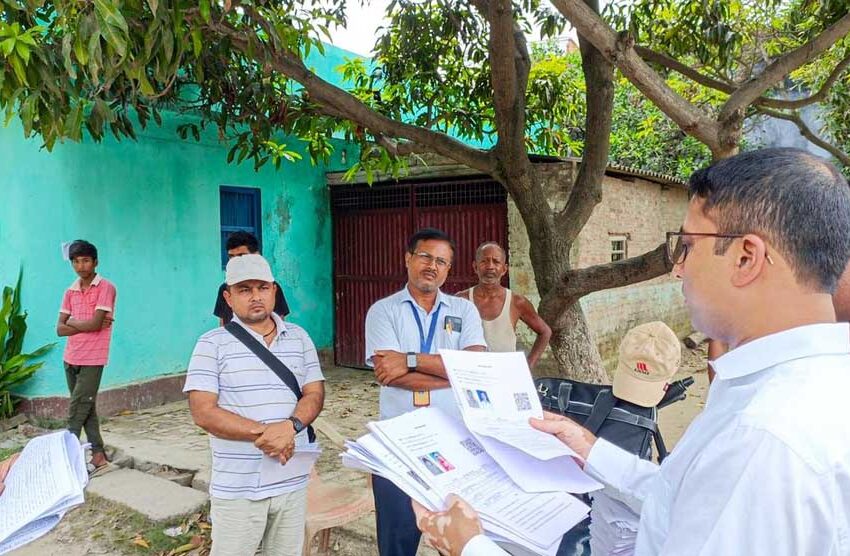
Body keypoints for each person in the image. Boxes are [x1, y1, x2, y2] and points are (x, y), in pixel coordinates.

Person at [413, 148, 850, 555]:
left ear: (745, 257)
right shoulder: (802, 388)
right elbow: (680, 499)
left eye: (687, 245)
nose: (678, 267)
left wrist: (472, 546)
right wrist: (588, 448)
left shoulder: (765, 437)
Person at [184, 254, 325, 556]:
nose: (256, 296)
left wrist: (291, 427)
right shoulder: (211, 344)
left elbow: (314, 394)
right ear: (228, 297)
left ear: (274, 290)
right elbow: (203, 411)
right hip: (239, 488)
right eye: (244, 289)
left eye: (262, 287)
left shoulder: (299, 338)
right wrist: (266, 433)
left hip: (292, 480)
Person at [365, 227, 487, 556]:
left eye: (442, 261)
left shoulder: (463, 311)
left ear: (448, 269)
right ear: (408, 259)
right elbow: (389, 375)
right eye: (425, 256)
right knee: (397, 543)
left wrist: (410, 360)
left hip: (456, 443)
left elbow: (475, 366)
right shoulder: (383, 311)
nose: (432, 266)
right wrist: (453, 372)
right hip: (398, 446)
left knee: (460, 541)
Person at [56, 239, 116, 475]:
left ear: (95, 262)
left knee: (77, 408)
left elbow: (93, 324)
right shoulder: (70, 291)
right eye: (76, 261)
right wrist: (89, 324)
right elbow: (60, 329)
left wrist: (75, 322)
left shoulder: (106, 287)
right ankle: (99, 455)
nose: (81, 266)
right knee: (86, 407)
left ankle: (62, 459)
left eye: (86, 260)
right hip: (71, 355)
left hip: (93, 357)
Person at [456, 242, 552, 367]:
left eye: (496, 262)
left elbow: (545, 331)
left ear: (504, 269)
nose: (490, 266)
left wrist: (529, 365)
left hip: (505, 376)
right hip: (472, 374)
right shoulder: (461, 300)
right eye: (484, 261)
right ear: (475, 267)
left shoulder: (516, 302)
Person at [213, 231, 289, 325]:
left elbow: (280, 321)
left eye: (241, 255)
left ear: (256, 255)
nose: (236, 261)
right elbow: (223, 321)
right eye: (231, 257)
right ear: (227, 297)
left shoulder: (270, 286)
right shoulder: (225, 288)